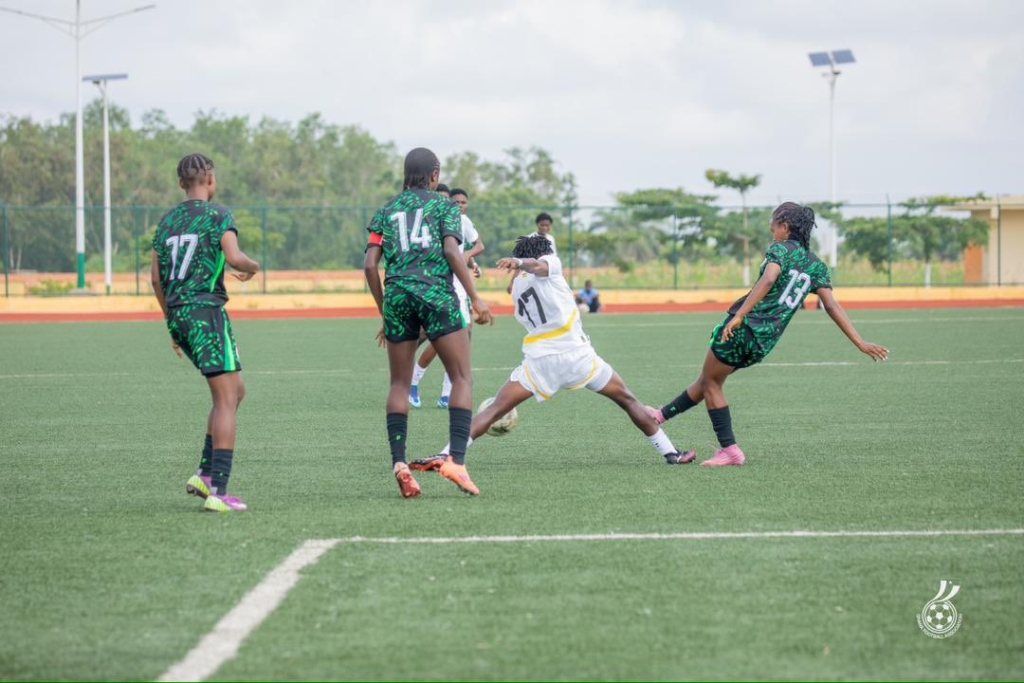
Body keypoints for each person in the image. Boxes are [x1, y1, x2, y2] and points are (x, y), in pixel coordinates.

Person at [411, 234, 694, 471]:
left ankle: (446, 454)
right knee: (628, 400)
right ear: (544, 252)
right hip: (577, 355)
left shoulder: (517, 287)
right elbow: (538, 266)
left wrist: (518, 264)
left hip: (540, 362)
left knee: (496, 407)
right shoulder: (548, 264)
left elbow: (529, 271)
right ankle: (671, 453)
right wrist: (524, 262)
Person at [646, 202, 889, 466]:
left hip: (744, 328)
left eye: (773, 223)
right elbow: (831, 305)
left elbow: (769, 278)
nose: (770, 228)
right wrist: (859, 341)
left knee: (711, 383)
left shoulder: (780, 249)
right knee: (709, 379)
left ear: (785, 226)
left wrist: (739, 315)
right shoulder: (816, 265)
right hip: (764, 341)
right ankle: (659, 416)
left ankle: (730, 450)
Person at [364, 147, 494, 498]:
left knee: (398, 385)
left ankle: (399, 463)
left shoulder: (385, 210)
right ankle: (456, 461)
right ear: (434, 175)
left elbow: (369, 266)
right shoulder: (444, 206)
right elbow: (453, 252)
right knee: (461, 377)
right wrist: (476, 298)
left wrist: (384, 308)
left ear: (405, 174)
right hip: (436, 296)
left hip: (398, 298)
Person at [151, 153, 260, 512]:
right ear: (210, 180)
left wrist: (171, 322)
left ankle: (203, 471)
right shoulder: (218, 216)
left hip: (179, 314)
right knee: (227, 399)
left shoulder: (166, 222)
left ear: (181, 183)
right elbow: (234, 256)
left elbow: (156, 278)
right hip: (206, 314)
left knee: (233, 391)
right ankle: (219, 490)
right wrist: (253, 266)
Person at [409, 187, 485, 409]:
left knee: (462, 338)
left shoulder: (464, 222)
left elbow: (474, 246)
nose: (460, 205)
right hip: (441, 284)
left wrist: (471, 260)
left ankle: (446, 394)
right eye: (456, 201)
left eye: (463, 202)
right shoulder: (436, 220)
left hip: (460, 287)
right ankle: (411, 382)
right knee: (439, 338)